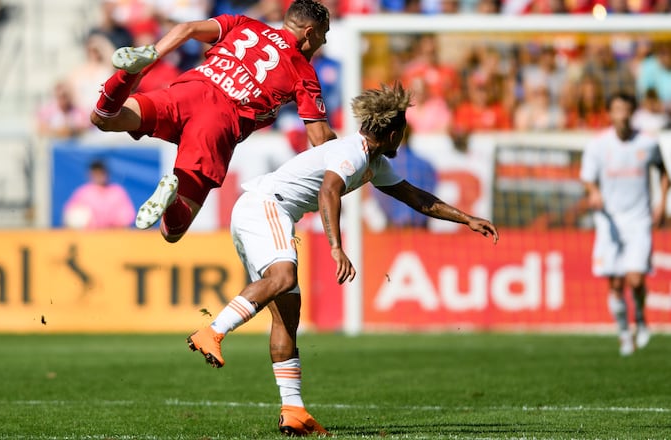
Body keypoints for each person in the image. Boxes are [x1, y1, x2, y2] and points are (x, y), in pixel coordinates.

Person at [186, 83, 499, 436]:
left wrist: (467, 218)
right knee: (285, 277)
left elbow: (415, 196)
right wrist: (336, 247)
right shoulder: (352, 153)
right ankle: (211, 331)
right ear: (395, 133)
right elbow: (329, 189)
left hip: (261, 211)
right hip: (265, 206)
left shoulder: (373, 162)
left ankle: (293, 410)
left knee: (288, 315)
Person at [90, 0, 336, 244]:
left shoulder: (246, 24)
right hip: (218, 122)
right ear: (309, 33)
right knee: (171, 231)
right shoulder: (303, 72)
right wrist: (354, 151)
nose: (323, 42)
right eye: (323, 35)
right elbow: (320, 140)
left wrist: (151, 58)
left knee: (104, 118)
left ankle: (128, 73)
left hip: (189, 90)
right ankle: (172, 196)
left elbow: (187, 29)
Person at [580, 91, 669, 357]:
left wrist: (662, 202)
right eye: (617, 109)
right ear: (610, 113)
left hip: (639, 220)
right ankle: (623, 334)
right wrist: (593, 192)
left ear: (632, 113)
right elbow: (586, 178)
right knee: (616, 284)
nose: (622, 114)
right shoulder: (598, 145)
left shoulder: (647, 143)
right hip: (609, 222)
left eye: (626, 109)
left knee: (636, 277)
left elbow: (664, 172)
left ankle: (640, 318)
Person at [62, 159, 136, 229]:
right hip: (89, 236)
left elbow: (128, 215)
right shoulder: (83, 192)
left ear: (107, 173)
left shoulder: (117, 191)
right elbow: (71, 214)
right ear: (90, 174)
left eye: (101, 173)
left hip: (114, 235)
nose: (99, 176)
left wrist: (113, 223)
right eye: (96, 173)